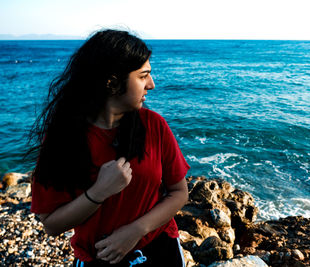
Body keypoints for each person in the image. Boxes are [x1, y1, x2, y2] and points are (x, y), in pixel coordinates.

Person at [28, 29, 190, 266]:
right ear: (112, 83)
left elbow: (179, 192)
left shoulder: (153, 125)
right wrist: (99, 193)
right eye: (143, 76)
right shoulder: (64, 140)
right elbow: (51, 224)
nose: (152, 85)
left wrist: (136, 230)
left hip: (159, 250)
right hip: (98, 259)